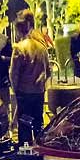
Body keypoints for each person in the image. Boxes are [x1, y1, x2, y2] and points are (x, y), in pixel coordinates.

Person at [10, 13, 51, 145]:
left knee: (25, 126)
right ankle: (40, 149)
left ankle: (25, 151)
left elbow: (14, 73)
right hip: (38, 92)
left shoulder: (19, 48)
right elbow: (48, 71)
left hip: (24, 93)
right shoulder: (42, 48)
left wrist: (15, 89)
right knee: (38, 124)